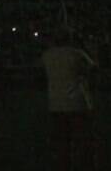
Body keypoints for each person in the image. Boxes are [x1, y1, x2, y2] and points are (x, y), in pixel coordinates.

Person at [42, 29, 98, 171]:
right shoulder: (77, 54)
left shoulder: (47, 55)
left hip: (56, 103)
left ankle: (63, 165)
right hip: (77, 103)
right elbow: (93, 68)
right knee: (81, 140)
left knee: (61, 141)